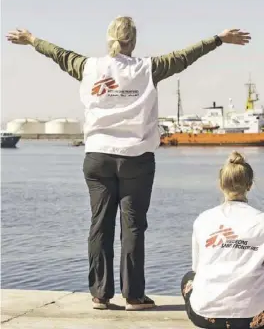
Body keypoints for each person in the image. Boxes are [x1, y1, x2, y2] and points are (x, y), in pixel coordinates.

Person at [6, 17, 251, 311]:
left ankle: (100, 294)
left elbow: (58, 53)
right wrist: (219, 38)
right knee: (133, 226)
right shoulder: (147, 69)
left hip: (97, 157)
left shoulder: (88, 67)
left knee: (100, 224)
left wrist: (32, 39)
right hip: (136, 158)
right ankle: (134, 296)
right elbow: (185, 57)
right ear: (133, 42)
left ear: (108, 40)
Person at [181, 151, 264, 329]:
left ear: (220, 185)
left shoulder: (203, 219)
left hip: (203, 316)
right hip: (252, 317)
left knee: (188, 278)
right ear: (250, 185)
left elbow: (197, 268)